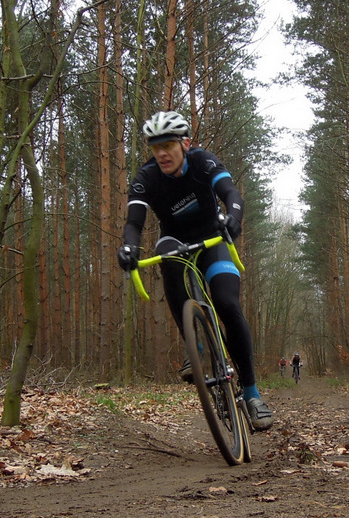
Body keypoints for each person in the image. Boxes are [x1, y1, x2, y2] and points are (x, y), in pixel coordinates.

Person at [117, 111, 273, 431]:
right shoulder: (146, 177)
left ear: (184, 144)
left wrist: (234, 218)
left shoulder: (203, 162)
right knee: (167, 258)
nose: (161, 154)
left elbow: (231, 194)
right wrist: (129, 247)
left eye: (168, 145)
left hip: (212, 238)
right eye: (155, 147)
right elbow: (134, 223)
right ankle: (195, 347)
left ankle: (252, 394)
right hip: (175, 240)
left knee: (227, 304)